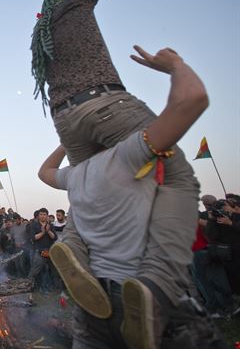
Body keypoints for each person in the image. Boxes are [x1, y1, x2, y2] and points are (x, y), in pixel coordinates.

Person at [39, 46, 224, 347]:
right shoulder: (127, 156)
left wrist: (68, 141)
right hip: (148, 294)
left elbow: (45, 171)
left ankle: (73, 249)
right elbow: (191, 100)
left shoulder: (76, 176)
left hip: (97, 301)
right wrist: (175, 65)